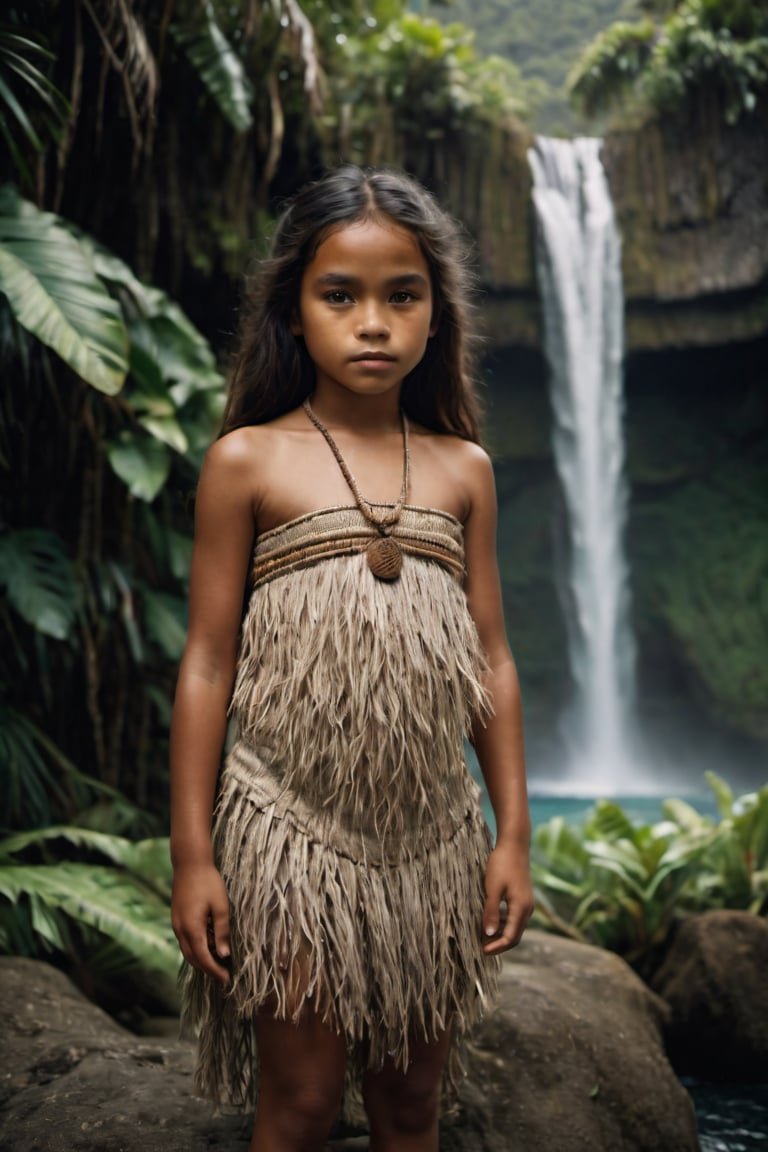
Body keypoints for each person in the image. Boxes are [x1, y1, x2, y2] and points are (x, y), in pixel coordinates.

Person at [170, 164, 533, 1152]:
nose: (372, 321)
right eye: (342, 295)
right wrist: (194, 855)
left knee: (412, 1105)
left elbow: (491, 659)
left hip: (433, 838)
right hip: (290, 832)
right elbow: (208, 662)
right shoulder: (247, 460)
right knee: (301, 1101)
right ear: (296, 309)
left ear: (435, 313)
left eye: (400, 296)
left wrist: (513, 832)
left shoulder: (464, 470)